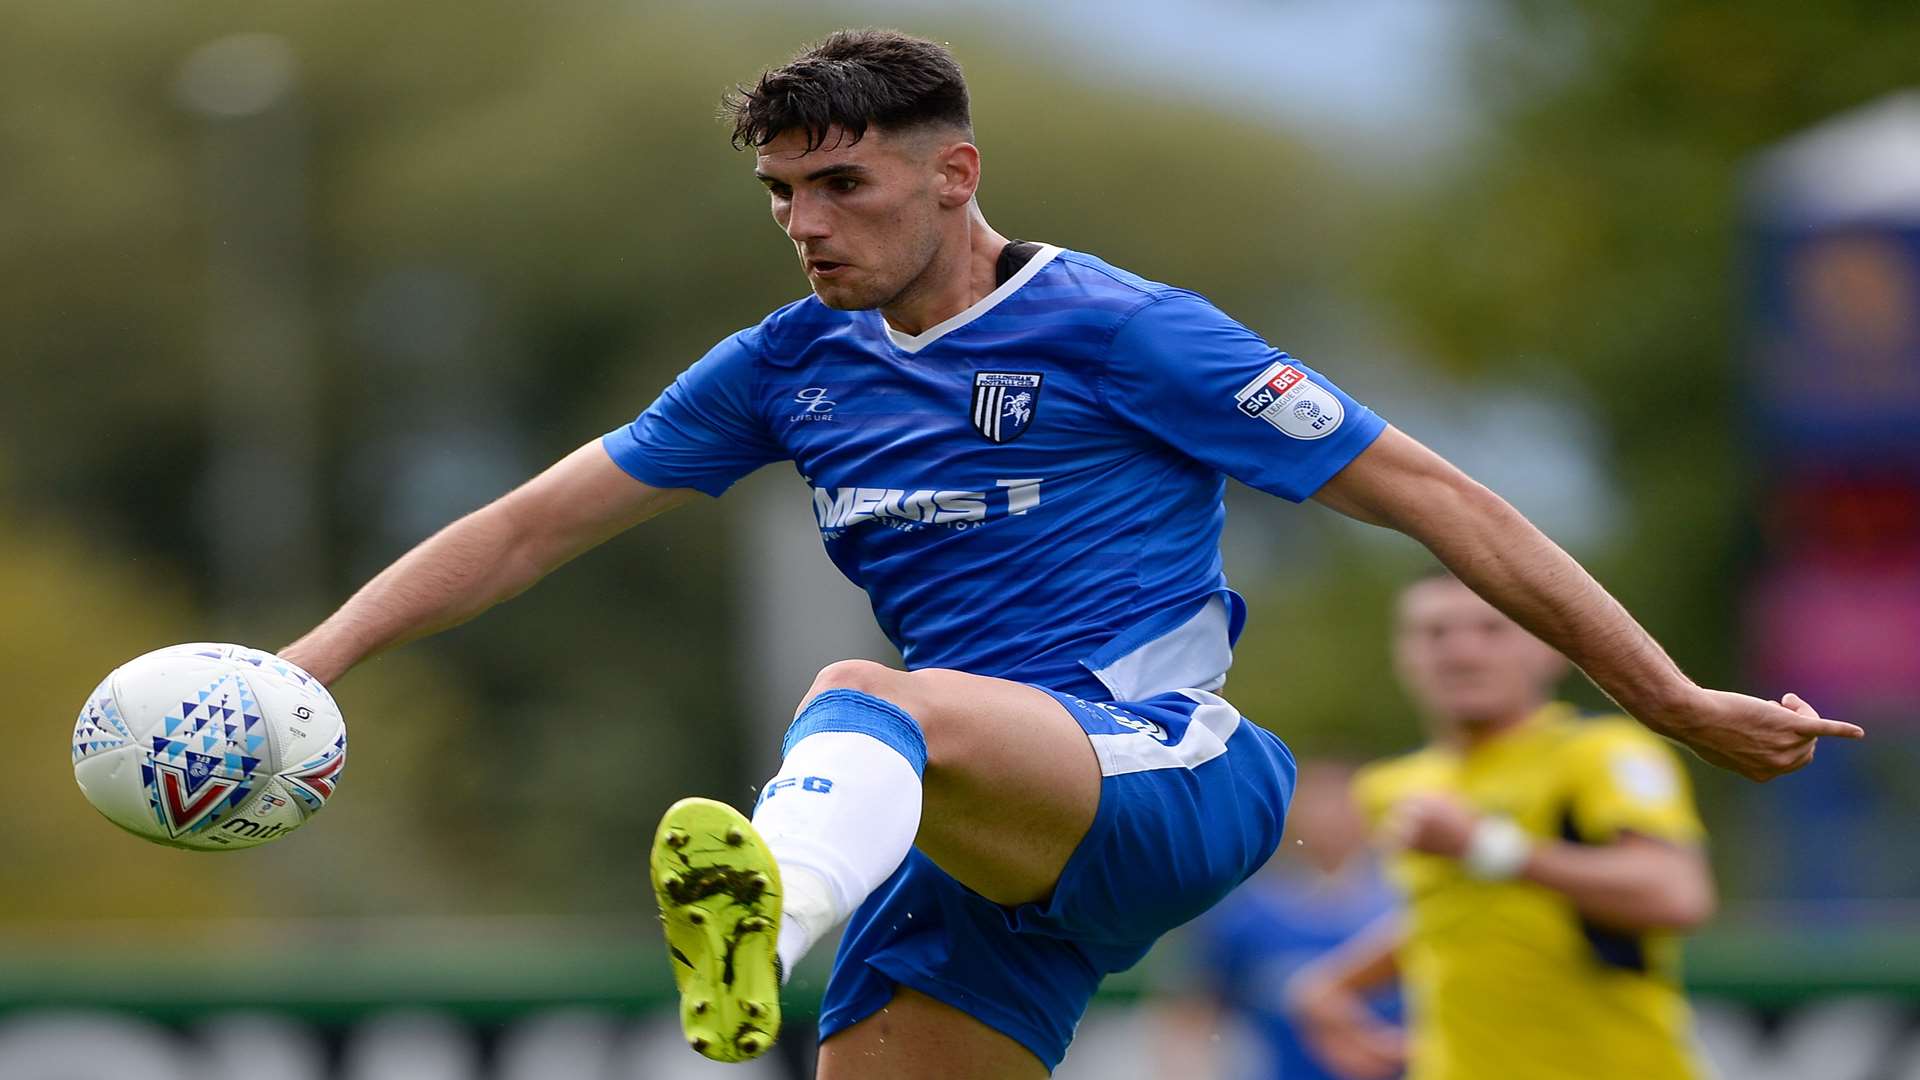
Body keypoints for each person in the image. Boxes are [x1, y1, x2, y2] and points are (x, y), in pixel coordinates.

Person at [278, 29, 1860, 1079]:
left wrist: (1664, 696)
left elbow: (1441, 495)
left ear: (954, 173)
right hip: (981, 831)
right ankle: (794, 895)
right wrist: (305, 668)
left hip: (1172, 767)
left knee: (865, 691)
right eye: (780, 194)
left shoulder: (1124, 330)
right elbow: (523, 527)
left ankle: (775, 900)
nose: (807, 223)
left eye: (844, 183)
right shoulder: (782, 366)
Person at [1288, 571, 1722, 1080]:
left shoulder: (1600, 753)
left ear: (1551, 649)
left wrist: (1488, 847)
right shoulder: (1391, 785)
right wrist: (1336, 984)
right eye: (1434, 633)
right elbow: (1453, 913)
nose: (1461, 652)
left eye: (1492, 630)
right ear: (1401, 654)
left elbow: (1676, 894)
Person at [1157, 760, 1401, 1080]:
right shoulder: (1245, 912)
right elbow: (1190, 1015)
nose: (1329, 820)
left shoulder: (1404, 905)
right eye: (1318, 806)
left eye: (1340, 805)